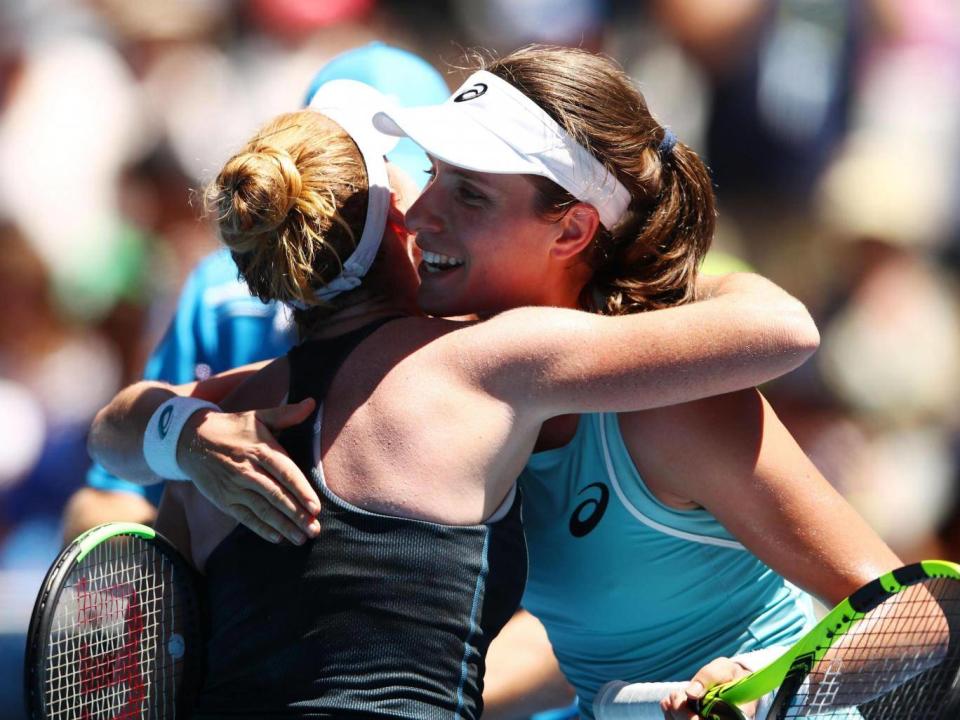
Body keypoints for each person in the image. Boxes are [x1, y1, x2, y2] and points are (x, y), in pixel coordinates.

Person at [87, 54, 831, 718]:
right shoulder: (497, 359)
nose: (423, 213)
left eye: (466, 192)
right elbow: (783, 328)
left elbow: (114, 434)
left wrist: (177, 431)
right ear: (389, 226)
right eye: (426, 177)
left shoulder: (231, 404)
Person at [63, 41, 451, 542]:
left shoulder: (468, 294)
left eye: (411, 184)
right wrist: (189, 442)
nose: (407, 217)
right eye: (372, 195)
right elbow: (105, 489)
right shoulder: (220, 299)